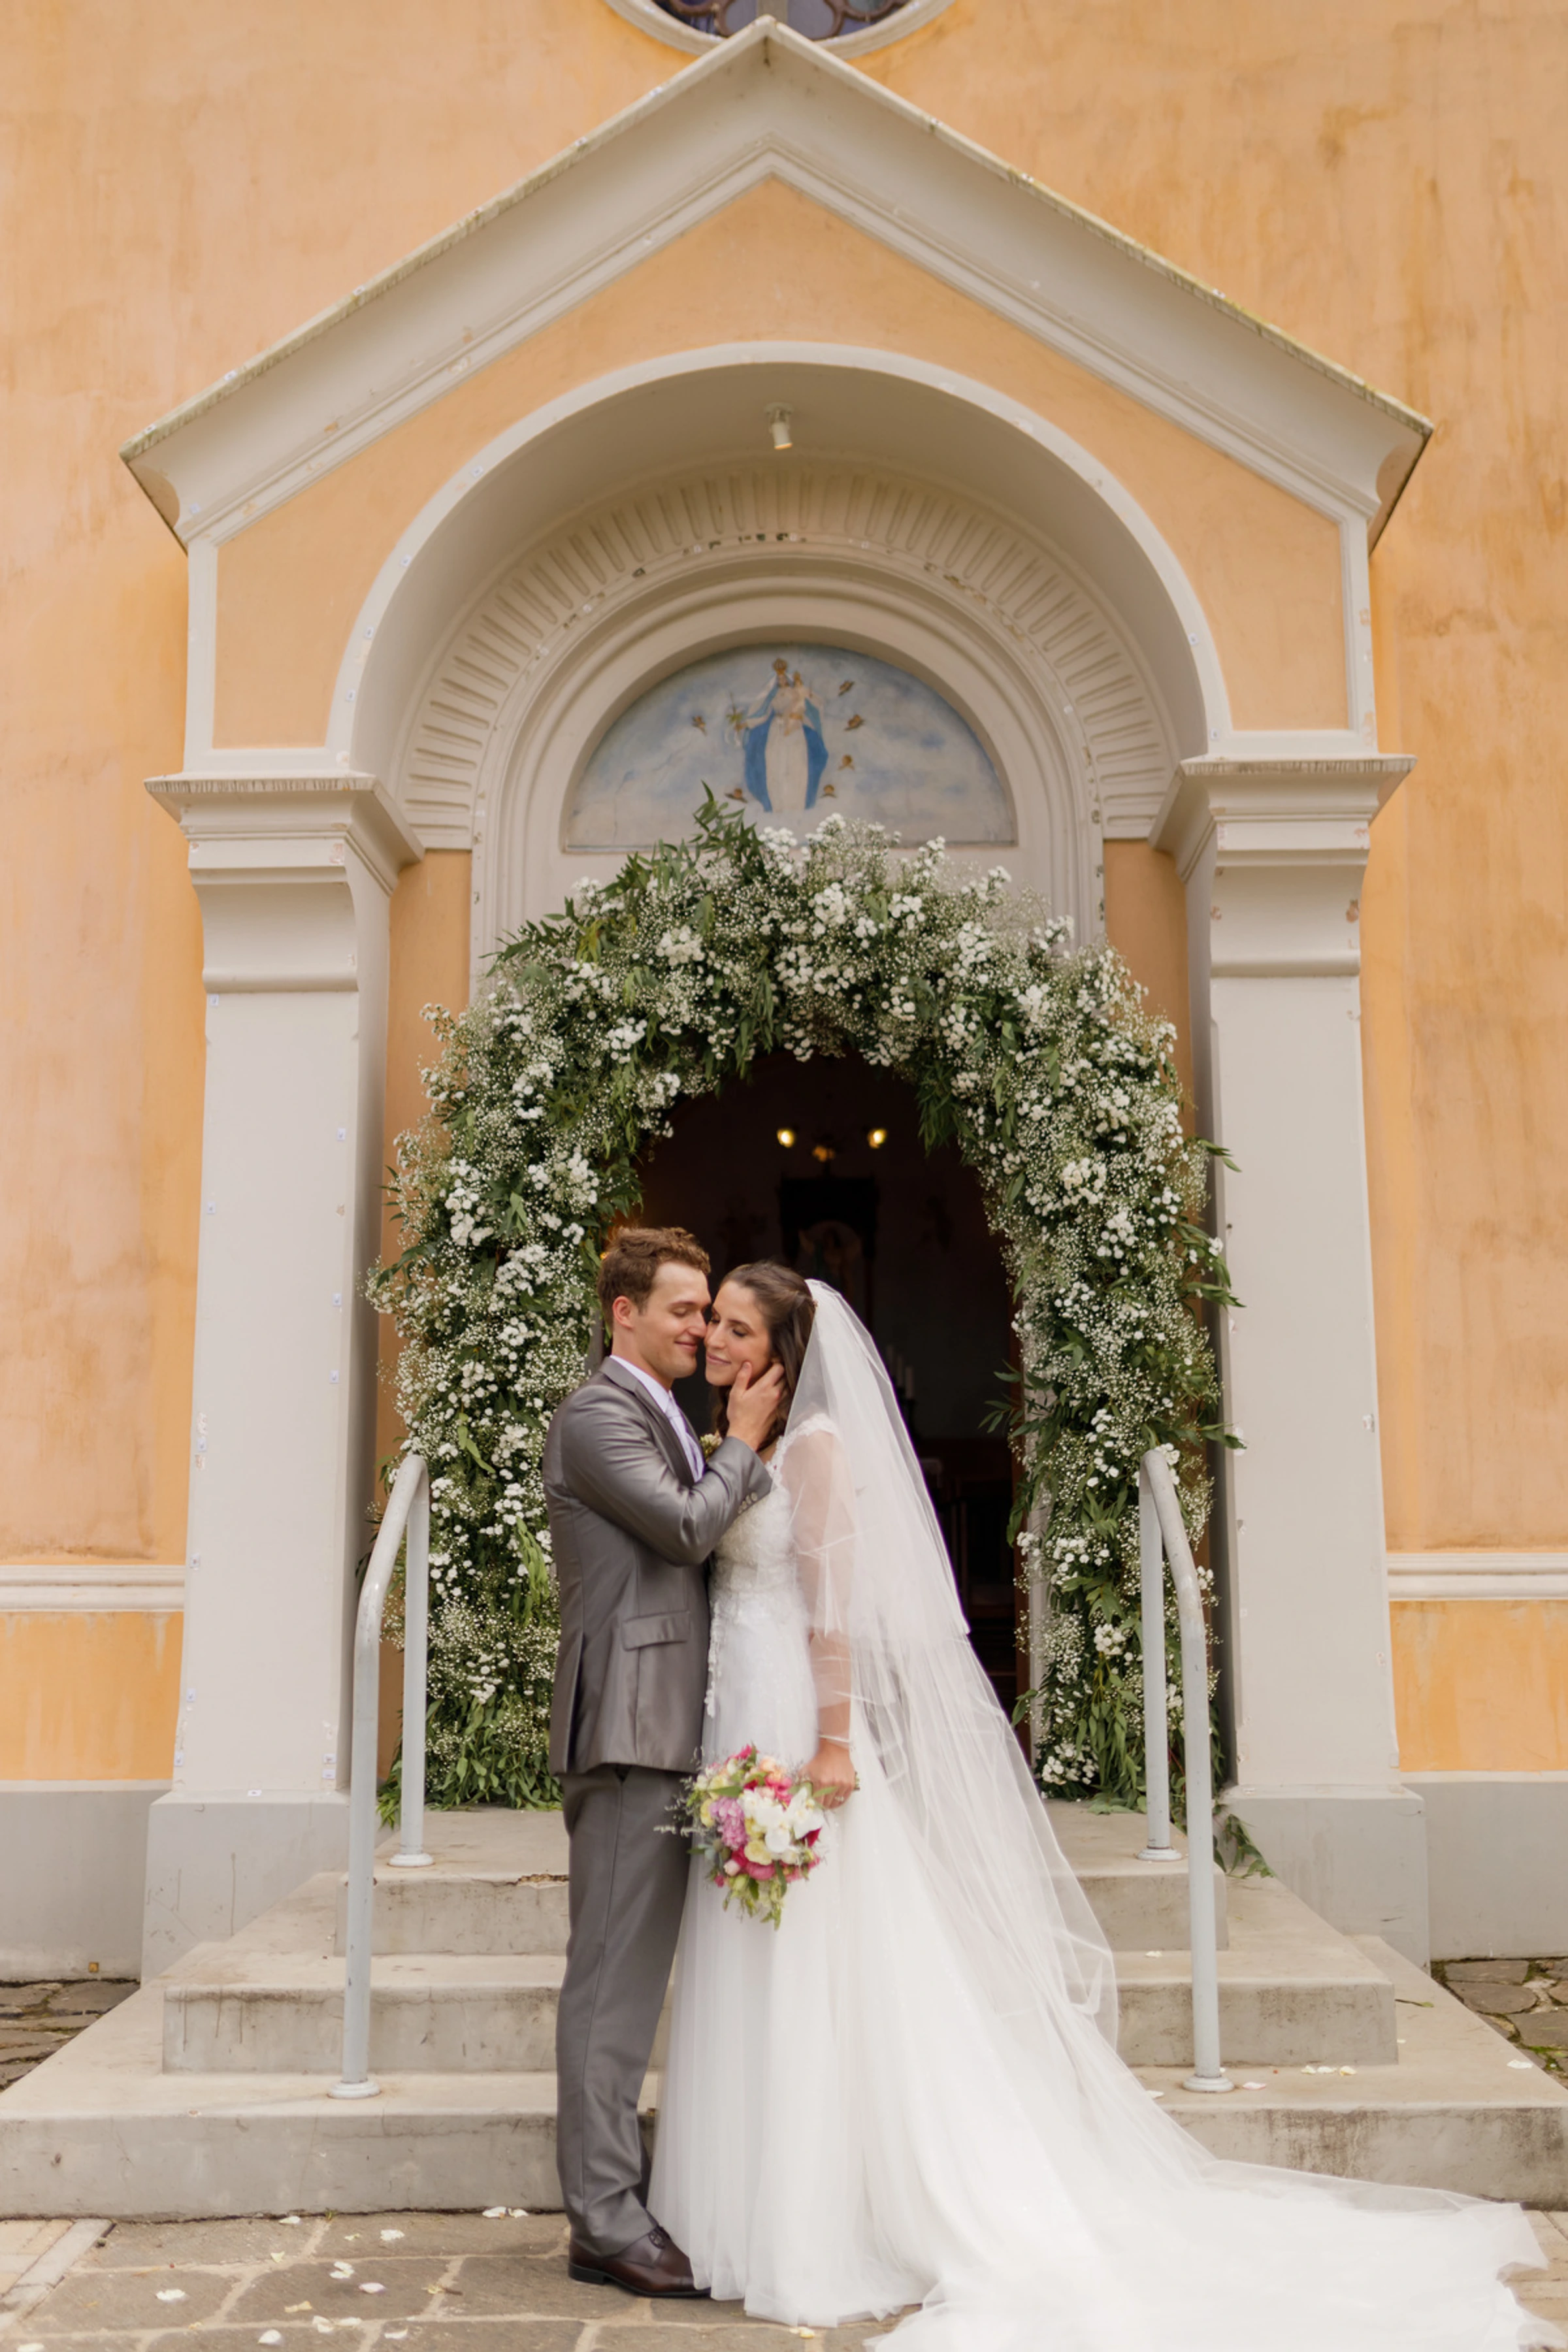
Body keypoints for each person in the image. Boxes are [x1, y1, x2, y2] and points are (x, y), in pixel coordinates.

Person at [649, 1264, 1554, 2352]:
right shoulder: (735, 1444)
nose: (719, 1345)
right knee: (746, 1943)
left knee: (812, 1951)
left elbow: (833, 1609)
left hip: (795, 1716)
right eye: (717, 1329)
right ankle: (740, 2204)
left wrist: (836, 1743)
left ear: (787, 1354)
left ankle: (822, 2213)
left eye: (740, 1331)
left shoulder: (820, 1453)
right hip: (732, 1706)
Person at [542, 1227, 784, 2299]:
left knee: (633, 1985)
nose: (698, 1327)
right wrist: (743, 1439)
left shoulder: (663, 1417)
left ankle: (623, 2195)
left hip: (675, 1728)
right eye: (683, 1310)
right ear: (624, 1314)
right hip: (630, 1733)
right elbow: (687, 1531)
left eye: (706, 1312)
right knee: (609, 1987)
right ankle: (602, 2221)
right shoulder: (599, 1416)